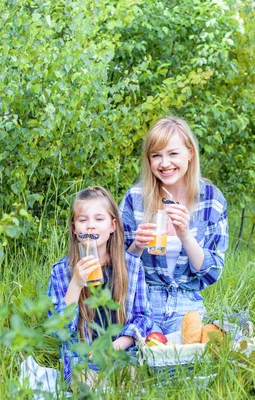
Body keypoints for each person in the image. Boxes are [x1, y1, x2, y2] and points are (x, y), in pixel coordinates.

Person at [119, 116, 229, 335]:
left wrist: (186, 236)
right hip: (141, 304)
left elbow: (213, 272)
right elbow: (118, 269)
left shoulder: (211, 200)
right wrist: (137, 247)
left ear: (190, 153)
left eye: (173, 154)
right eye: (156, 155)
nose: (165, 163)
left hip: (187, 307)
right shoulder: (135, 198)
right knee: (136, 361)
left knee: (188, 360)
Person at [47, 186, 152, 385]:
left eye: (99, 219)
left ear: (113, 226)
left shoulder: (131, 266)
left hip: (121, 354)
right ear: (74, 228)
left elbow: (143, 317)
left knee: (131, 379)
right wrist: (76, 284)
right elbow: (58, 328)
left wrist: (117, 346)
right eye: (83, 220)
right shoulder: (62, 271)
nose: (90, 226)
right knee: (86, 382)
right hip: (81, 359)